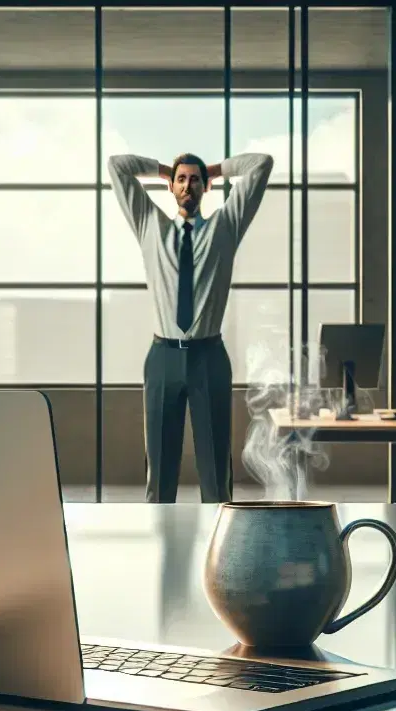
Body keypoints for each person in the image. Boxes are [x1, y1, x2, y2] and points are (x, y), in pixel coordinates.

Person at [108, 150, 273, 503]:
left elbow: (261, 164)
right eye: (181, 180)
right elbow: (117, 166)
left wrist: (213, 169)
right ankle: (163, 552)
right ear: (171, 187)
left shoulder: (225, 227)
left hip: (208, 358)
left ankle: (224, 552)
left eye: (195, 180)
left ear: (205, 187)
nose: (187, 185)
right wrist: (165, 170)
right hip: (163, 358)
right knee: (160, 474)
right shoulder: (150, 225)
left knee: (216, 473)